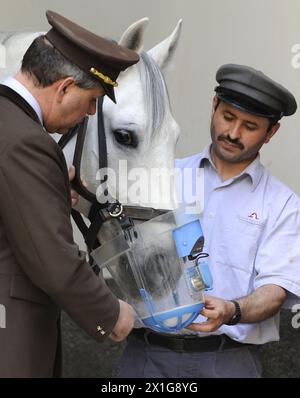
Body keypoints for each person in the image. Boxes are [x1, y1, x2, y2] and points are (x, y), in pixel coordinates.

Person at [115, 63, 300, 378]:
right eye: (227, 117)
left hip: (228, 361)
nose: (232, 133)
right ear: (214, 105)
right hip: (146, 356)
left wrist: (232, 310)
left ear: (271, 132)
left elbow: (275, 290)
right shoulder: (161, 178)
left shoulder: (283, 205)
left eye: (250, 126)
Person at [0, 10, 139, 377]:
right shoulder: (27, 141)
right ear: (63, 87)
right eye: (92, 99)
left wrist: (52, 191)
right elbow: (50, 260)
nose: (90, 112)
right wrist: (110, 314)